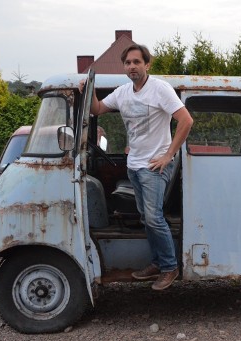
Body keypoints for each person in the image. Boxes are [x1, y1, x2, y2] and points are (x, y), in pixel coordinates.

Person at [81, 44, 193, 291]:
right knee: (146, 218)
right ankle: (157, 263)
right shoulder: (123, 93)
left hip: (155, 166)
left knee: (154, 218)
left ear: (147, 64)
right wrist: (89, 92)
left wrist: (168, 155)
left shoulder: (160, 89)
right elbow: (97, 109)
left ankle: (169, 267)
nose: (132, 66)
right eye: (128, 63)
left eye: (136, 62)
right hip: (134, 166)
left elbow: (186, 120)